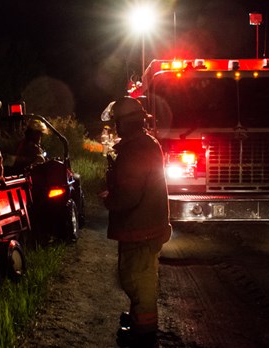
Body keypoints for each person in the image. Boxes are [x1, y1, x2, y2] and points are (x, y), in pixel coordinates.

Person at [99, 96, 172, 348]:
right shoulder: (142, 144)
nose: (115, 128)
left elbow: (129, 195)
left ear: (126, 123)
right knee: (136, 280)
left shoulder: (136, 149)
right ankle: (141, 325)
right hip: (142, 228)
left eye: (117, 122)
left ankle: (144, 336)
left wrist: (109, 199)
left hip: (141, 229)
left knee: (139, 283)